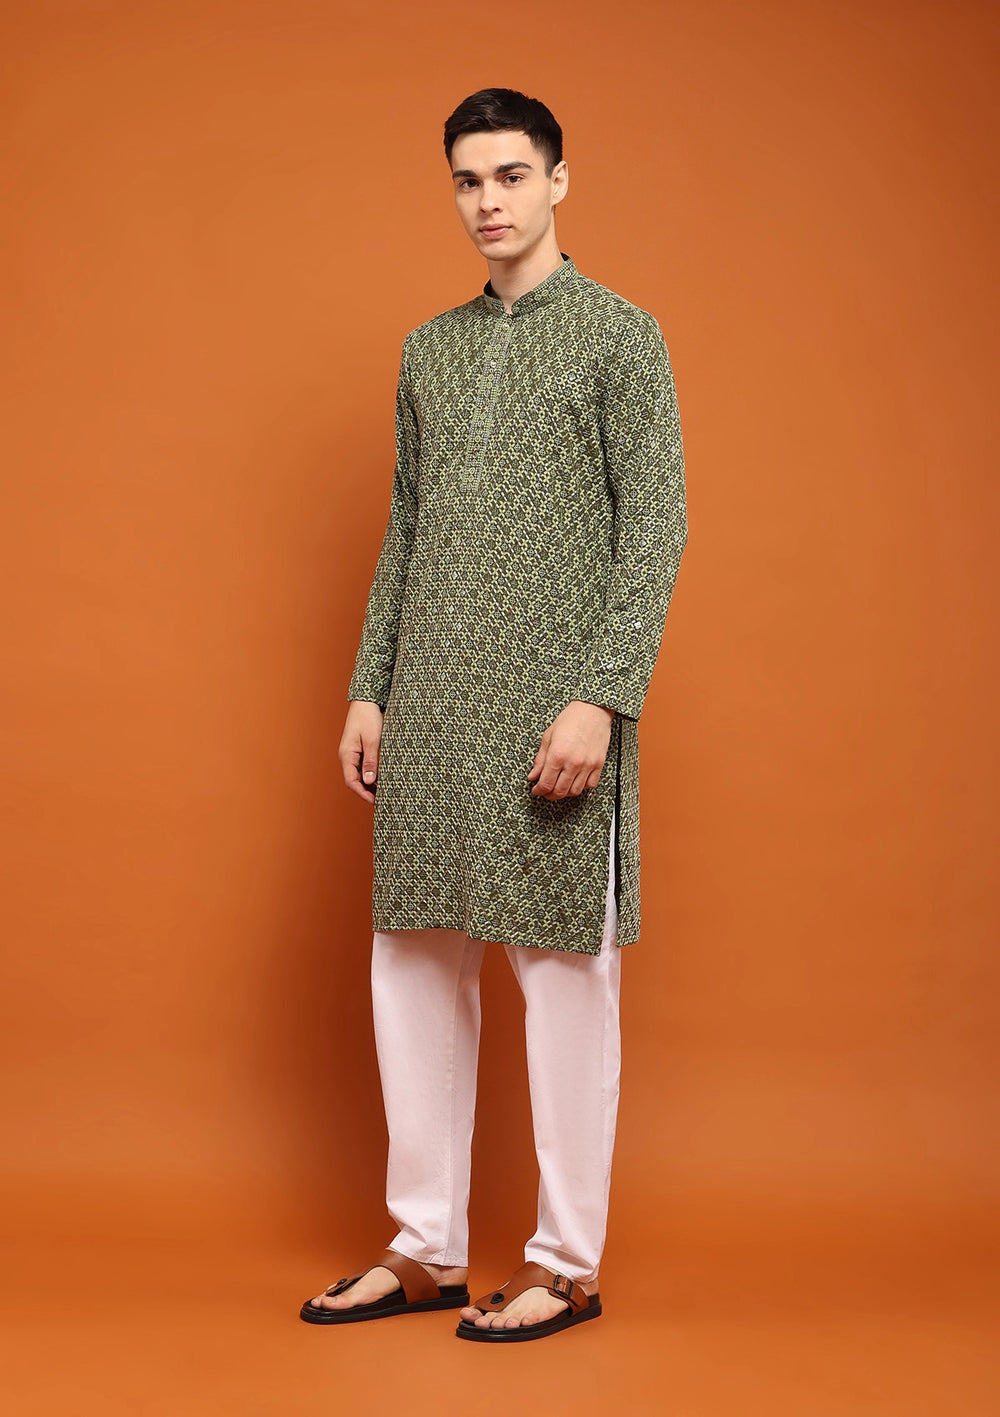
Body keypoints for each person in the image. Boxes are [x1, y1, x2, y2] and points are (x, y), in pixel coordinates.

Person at [299, 87, 688, 1343]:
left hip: (551, 709)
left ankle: (565, 1261)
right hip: (429, 704)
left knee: (567, 976)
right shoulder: (430, 348)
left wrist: (602, 697)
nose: (487, 201)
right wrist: (370, 684)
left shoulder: (620, 336)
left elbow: (657, 529)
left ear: (558, 181)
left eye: (511, 175)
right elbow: (406, 526)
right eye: (467, 180)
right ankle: (424, 1246)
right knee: (411, 962)